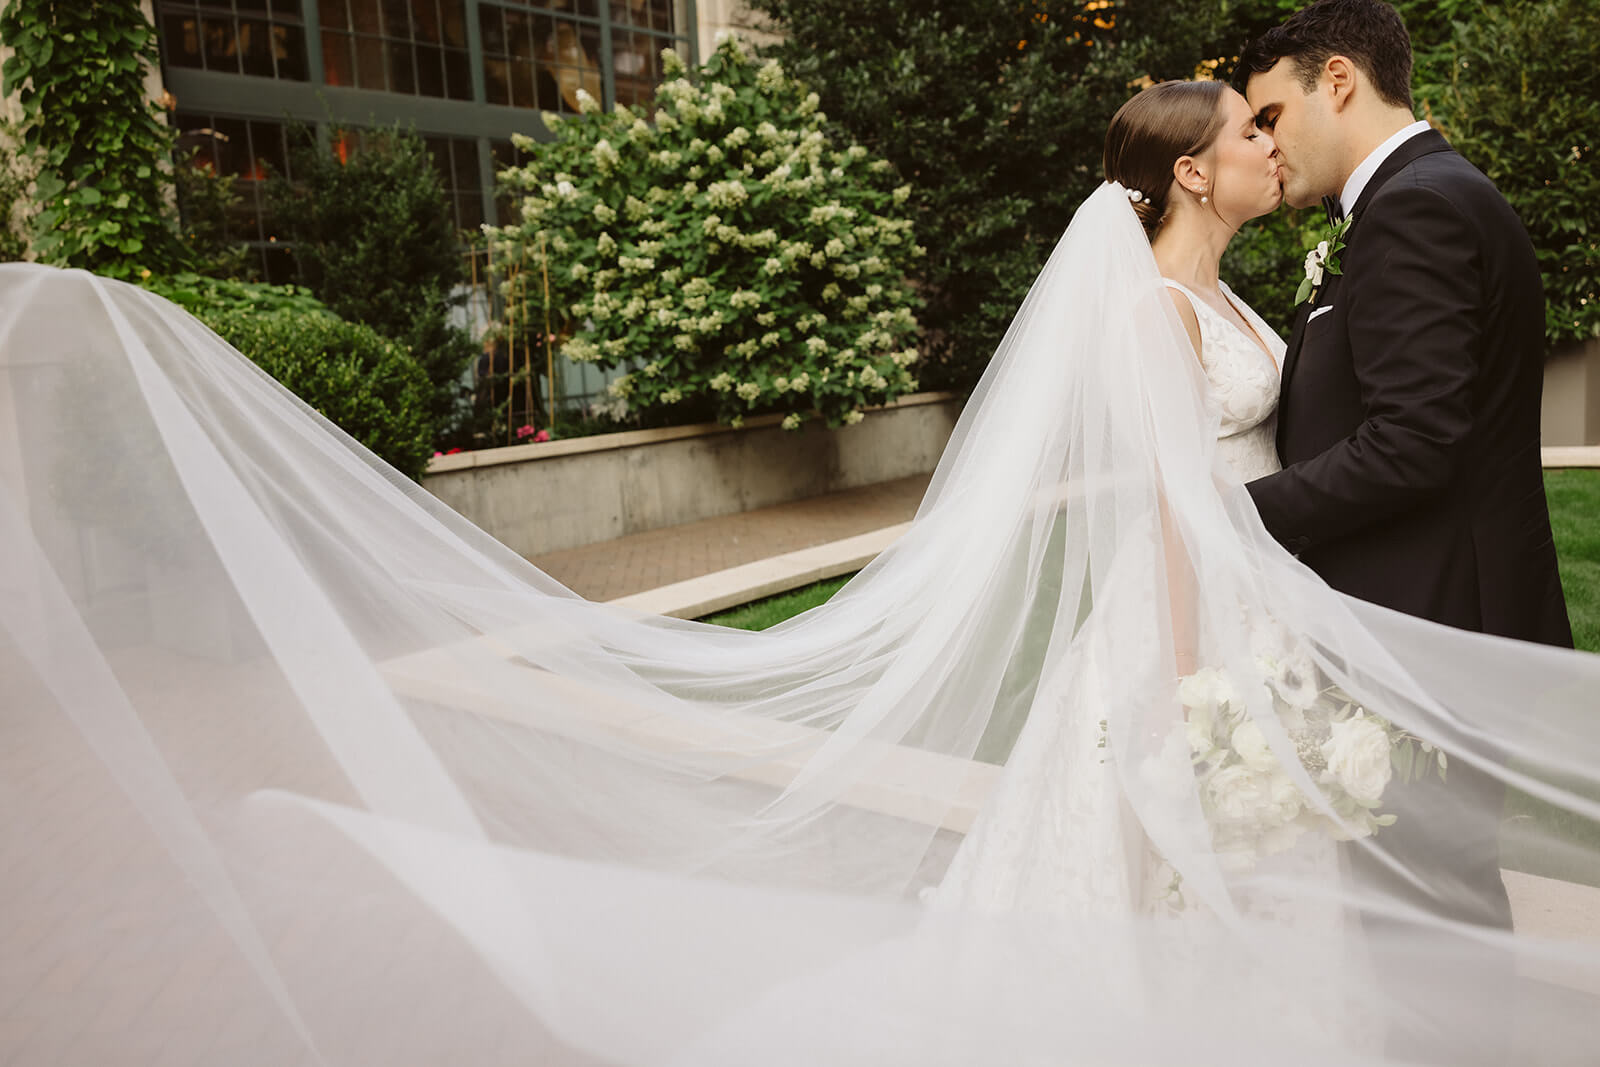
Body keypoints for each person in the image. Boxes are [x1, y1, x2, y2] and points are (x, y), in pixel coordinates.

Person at [2, 75, 1598, 1066]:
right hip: (1191, 620)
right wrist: (1191, 679)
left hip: (1262, 598)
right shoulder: (1150, 315)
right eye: (1247, 133)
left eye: (1272, 123)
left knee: (1272, 865)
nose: (1269, 144)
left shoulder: (1255, 302)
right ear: (1190, 172)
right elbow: (1173, 517)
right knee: (1166, 852)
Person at [1236, 3, 1573, 1059]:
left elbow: (1412, 440)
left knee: (1425, 917)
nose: (1264, 142)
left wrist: (1231, 517)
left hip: (1428, 625)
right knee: (1417, 909)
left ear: (1337, 79)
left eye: (1270, 113)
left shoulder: (1418, 209)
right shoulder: (1420, 198)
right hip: (1423, 614)